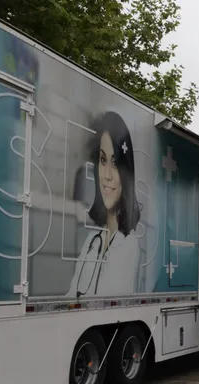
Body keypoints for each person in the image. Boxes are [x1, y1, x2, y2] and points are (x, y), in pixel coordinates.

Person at [67, 111, 141, 298]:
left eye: (115, 164)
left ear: (126, 175)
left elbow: (109, 301)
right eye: (102, 160)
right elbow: (71, 293)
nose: (107, 174)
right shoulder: (92, 241)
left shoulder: (129, 246)